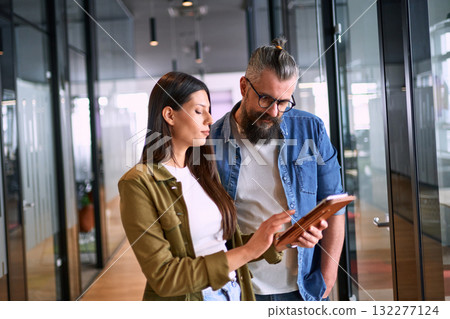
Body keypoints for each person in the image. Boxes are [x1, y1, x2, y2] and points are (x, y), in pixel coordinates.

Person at [118, 72, 324, 301]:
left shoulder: (202, 170)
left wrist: (274, 241)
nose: (209, 119)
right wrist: (248, 251)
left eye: (209, 110)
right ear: (169, 115)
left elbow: (221, 246)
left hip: (232, 294)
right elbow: (165, 277)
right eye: (199, 111)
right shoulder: (138, 183)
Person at [210, 38, 345, 301]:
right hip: (243, 290)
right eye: (265, 99)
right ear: (243, 87)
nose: (274, 111)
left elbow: (335, 204)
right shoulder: (210, 143)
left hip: (304, 289)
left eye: (283, 102)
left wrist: (328, 277)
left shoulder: (311, 129)